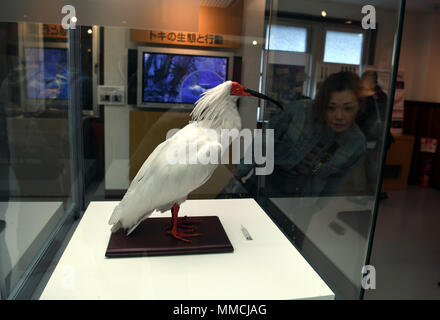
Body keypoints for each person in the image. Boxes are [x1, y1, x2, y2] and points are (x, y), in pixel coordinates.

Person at [223, 71, 367, 198]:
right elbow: (265, 139)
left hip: (304, 199)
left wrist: (317, 206)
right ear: (322, 104)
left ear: (359, 106)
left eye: (348, 108)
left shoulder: (356, 143)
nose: (339, 116)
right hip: (267, 184)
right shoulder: (300, 111)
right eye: (331, 107)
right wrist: (239, 171)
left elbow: (336, 182)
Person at [356, 70, 393, 196]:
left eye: (365, 79)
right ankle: (375, 189)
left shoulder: (367, 97)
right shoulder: (382, 95)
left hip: (364, 134)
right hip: (377, 135)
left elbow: (362, 115)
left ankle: (360, 192)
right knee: (371, 163)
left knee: (359, 164)